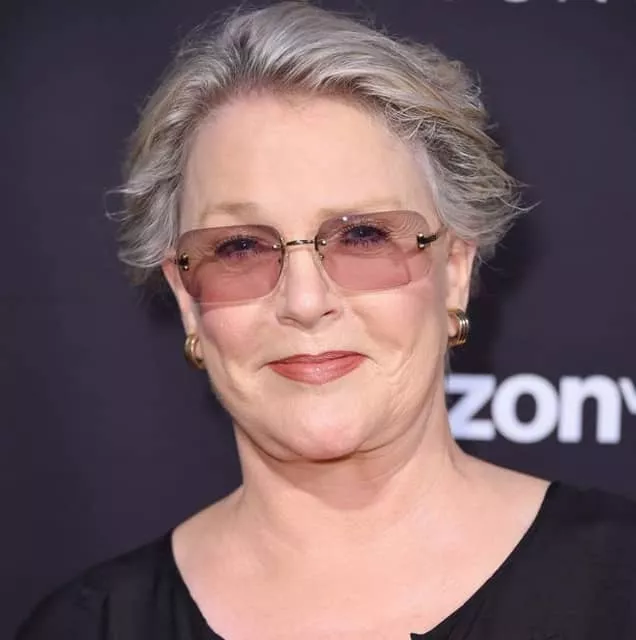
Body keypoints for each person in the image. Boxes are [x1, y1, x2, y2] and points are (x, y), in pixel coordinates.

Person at [16, 2, 636, 639]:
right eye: (240, 247)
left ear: (454, 270)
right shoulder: (87, 627)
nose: (305, 301)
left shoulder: (620, 585)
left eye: (363, 236)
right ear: (186, 295)